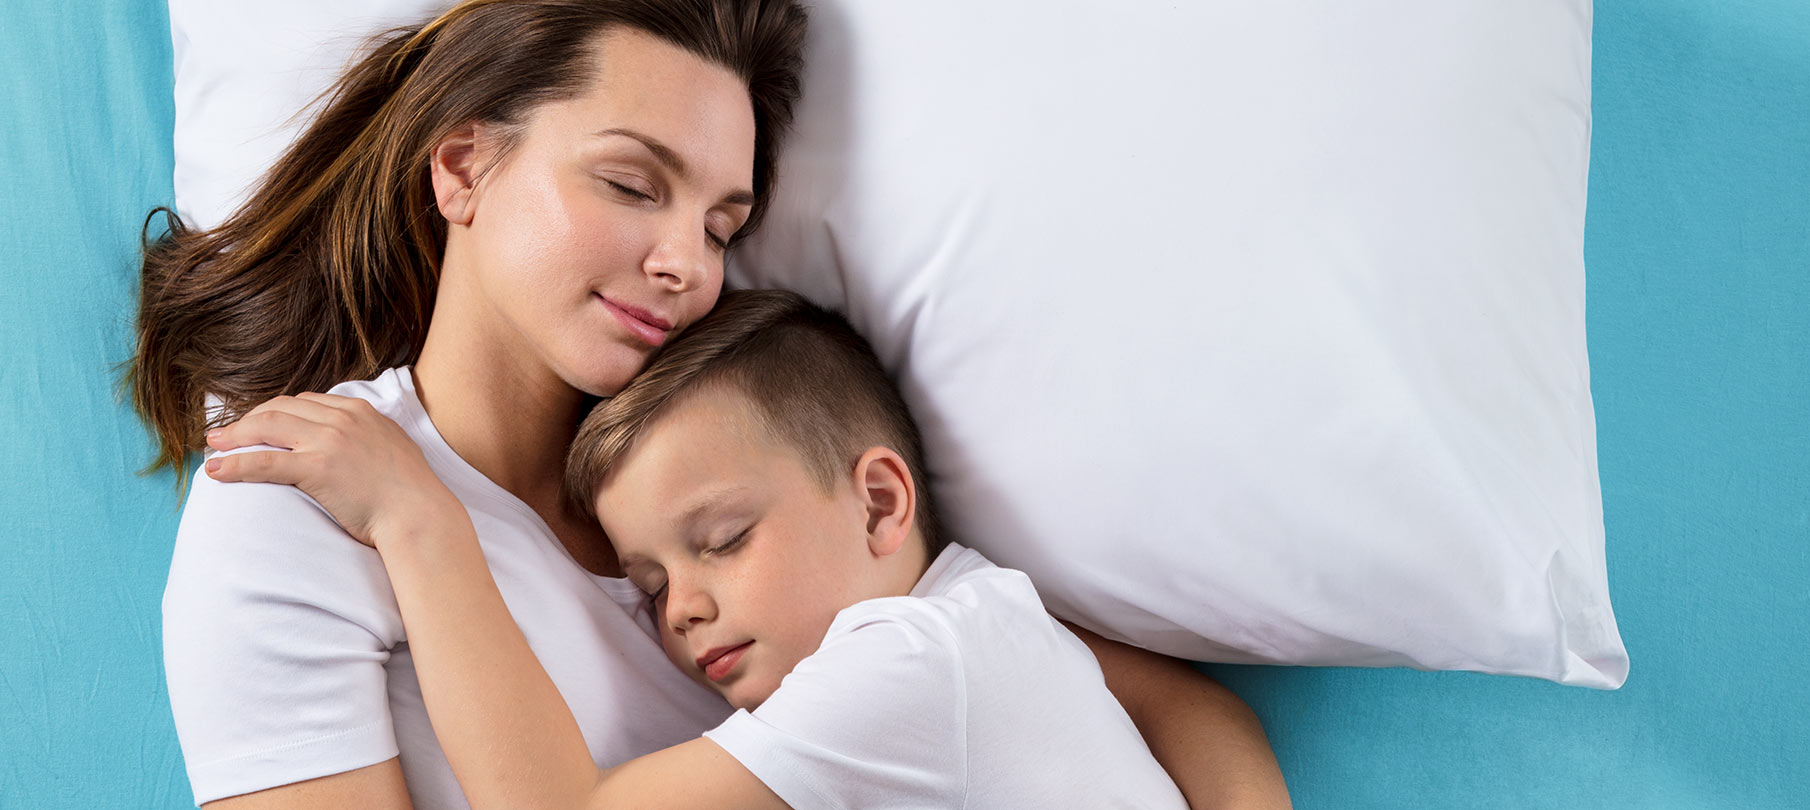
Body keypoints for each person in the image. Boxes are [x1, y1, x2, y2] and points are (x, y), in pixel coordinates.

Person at [132, 1, 1287, 808]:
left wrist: (426, 527)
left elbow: (1169, 710)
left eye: (724, 226)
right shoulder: (300, 504)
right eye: (632, 183)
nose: (686, 262)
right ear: (464, 167)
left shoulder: (743, 470)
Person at [204, 288, 1202, 809]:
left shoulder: (914, 664)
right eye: (648, 584)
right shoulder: (983, 614)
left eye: (723, 540)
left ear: (879, 504)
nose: (680, 608)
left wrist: (419, 523)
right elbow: (1192, 709)